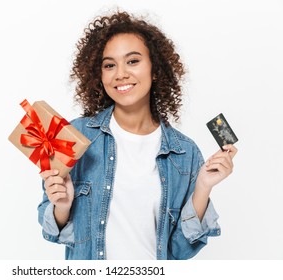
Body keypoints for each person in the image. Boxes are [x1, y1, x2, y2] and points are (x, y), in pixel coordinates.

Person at [37, 10, 237, 260]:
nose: (120, 73)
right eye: (109, 65)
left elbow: (180, 251)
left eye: (133, 61)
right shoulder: (74, 135)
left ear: (155, 70)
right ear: (99, 75)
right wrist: (62, 207)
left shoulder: (185, 153)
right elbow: (51, 230)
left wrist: (203, 187)